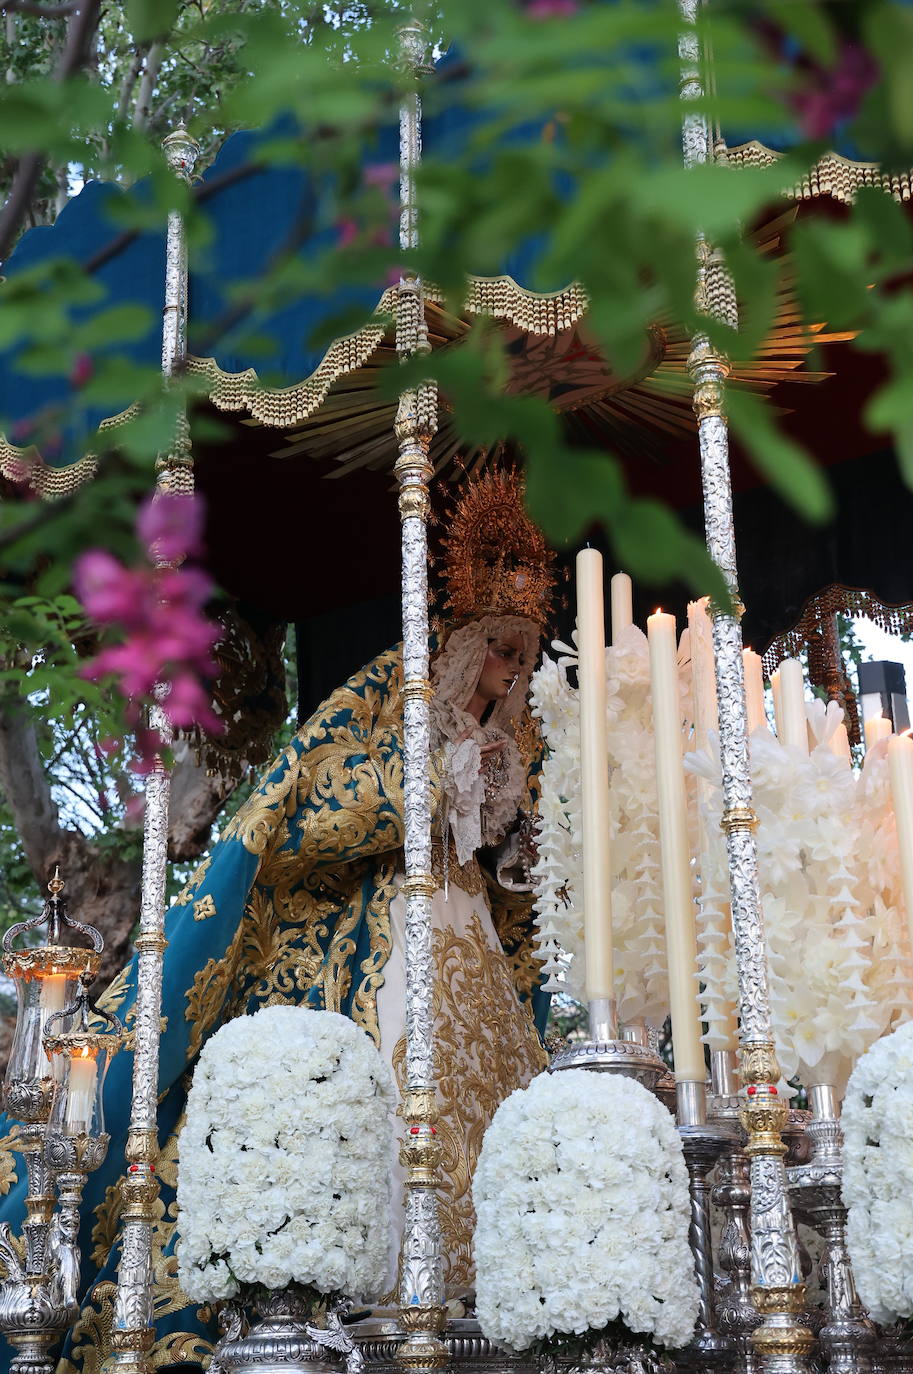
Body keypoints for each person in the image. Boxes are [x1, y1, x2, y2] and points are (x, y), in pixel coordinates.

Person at [0, 470, 555, 1371]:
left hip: (470, 948)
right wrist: (423, 786)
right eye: (502, 648)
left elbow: (511, 877)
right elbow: (299, 802)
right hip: (385, 944)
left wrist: (519, 847)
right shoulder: (394, 696)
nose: (514, 670)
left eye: (527, 655)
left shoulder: (518, 743)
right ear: (465, 641)